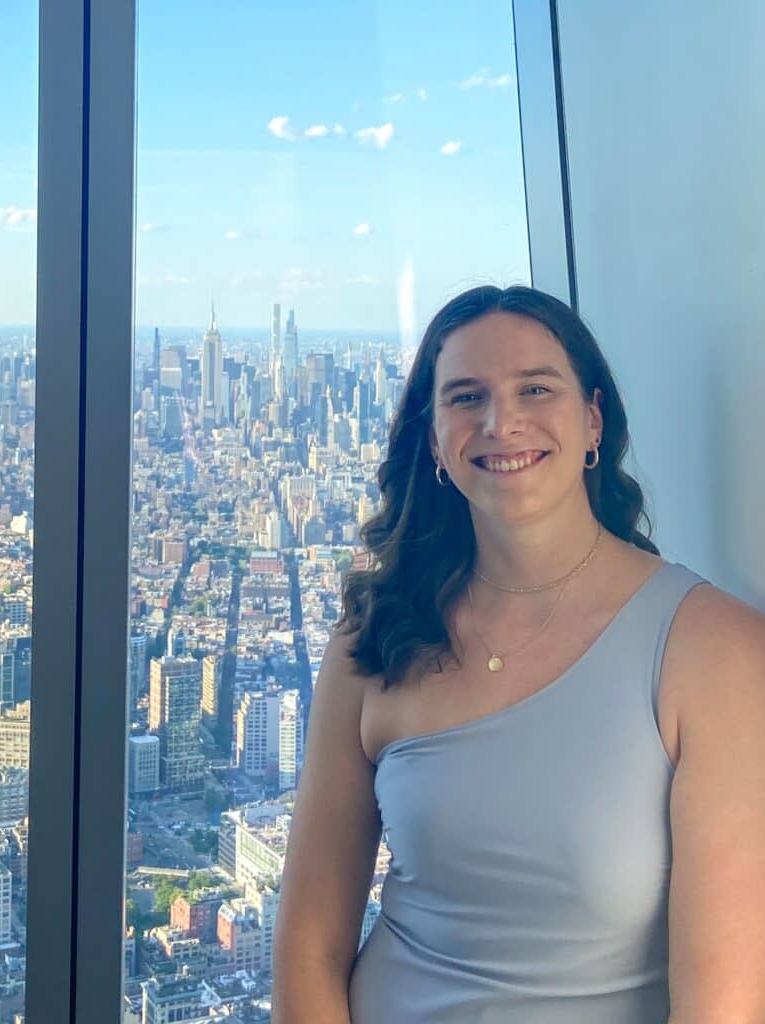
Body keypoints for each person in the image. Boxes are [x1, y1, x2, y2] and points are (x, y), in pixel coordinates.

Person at [271, 285, 765, 1023]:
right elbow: (308, 947)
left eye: (536, 388)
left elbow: (719, 1008)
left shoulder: (714, 652)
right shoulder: (372, 638)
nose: (501, 422)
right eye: (466, 397)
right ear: (435, 441)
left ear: (593, 421)